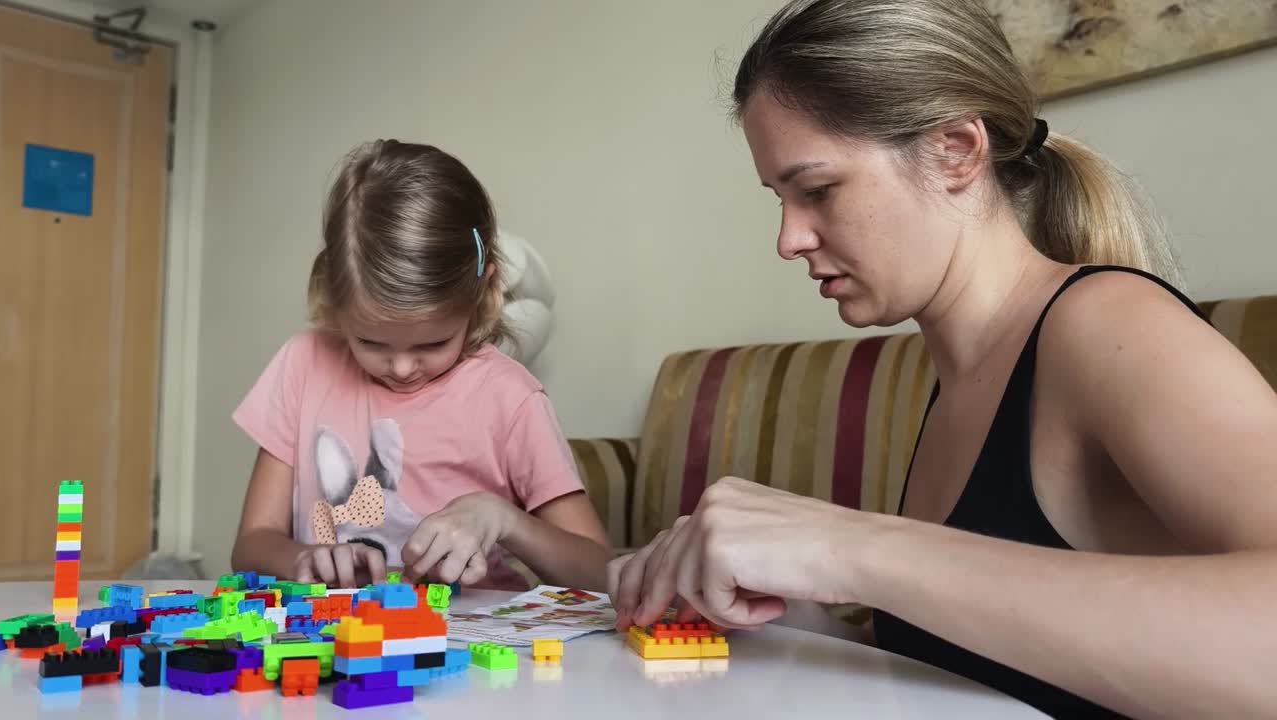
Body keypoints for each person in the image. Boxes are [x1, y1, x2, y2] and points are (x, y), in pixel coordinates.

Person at [606, 1, 1277, 718]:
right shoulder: (958, 376)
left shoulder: (1107, 324)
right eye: (781, 199)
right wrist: (794, 608)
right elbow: (989, 665)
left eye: (818, 191)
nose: (789, 238)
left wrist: (849, 545)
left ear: (957, 149)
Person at [231, 139, 612, 592]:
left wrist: (505, 520)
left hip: (473, 656)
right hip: (337, 646)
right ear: (334, 293)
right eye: (371, 342)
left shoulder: (510, 398)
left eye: (434, 343)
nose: (403, 367)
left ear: (480, 289)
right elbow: (252, 544)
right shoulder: (301, 365)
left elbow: (598, 571)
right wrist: (304, 558)